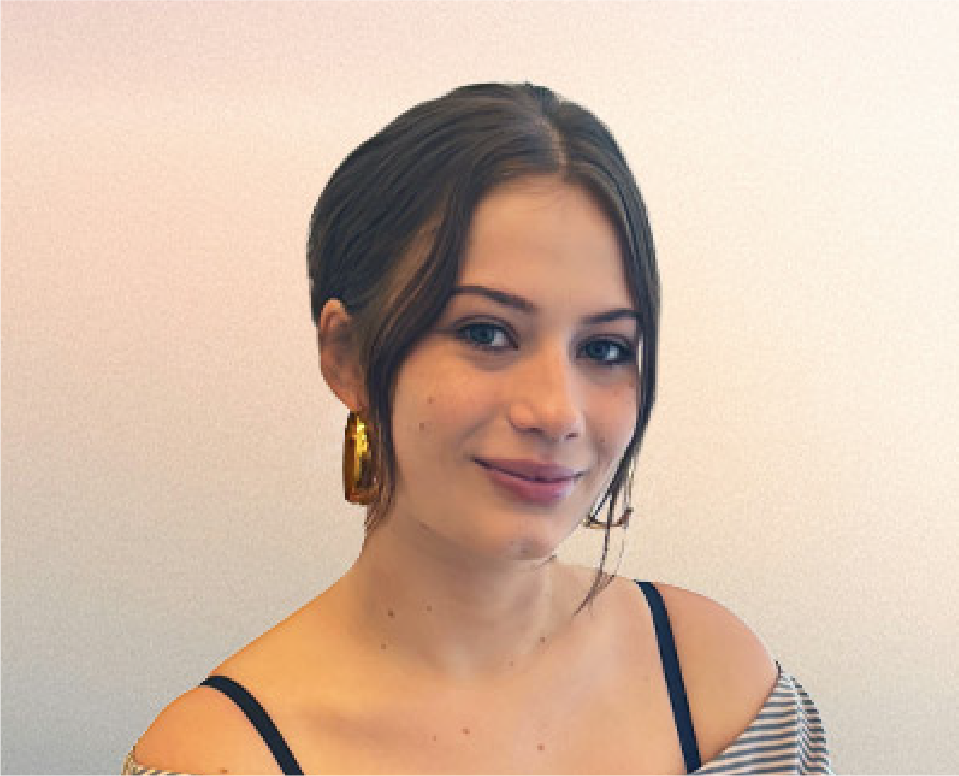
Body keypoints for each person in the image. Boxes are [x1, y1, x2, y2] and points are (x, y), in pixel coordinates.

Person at [122, 82, 835, 776]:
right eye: (486, 333)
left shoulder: (725, 689)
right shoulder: (219, 757)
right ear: (347, 358)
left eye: (603, 348)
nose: (556, 412)